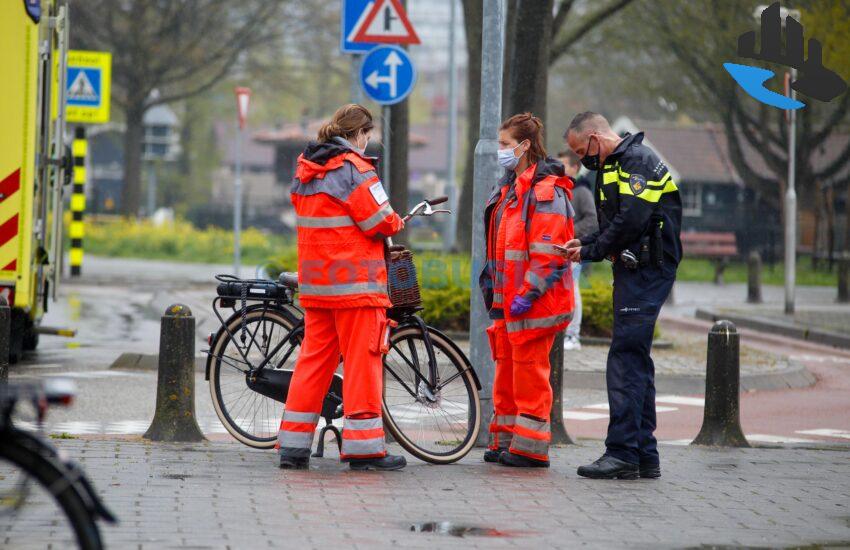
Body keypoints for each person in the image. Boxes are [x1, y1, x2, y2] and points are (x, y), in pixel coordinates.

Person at [277, 104, 407, 471]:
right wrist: (397, 221)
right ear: (360, 133)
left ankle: (293, 448)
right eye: (368, 135)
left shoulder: (306, 169)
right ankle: (365, 451)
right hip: (356, 288)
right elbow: (381, 222)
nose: (368, 142)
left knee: (312, 364)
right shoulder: (356, 169)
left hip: (318, 285)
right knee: (362, 365)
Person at [561, 112, 682, 480]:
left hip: (646, 269)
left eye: (581, 151)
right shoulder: (615, 164)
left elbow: (631, 220)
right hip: (636, 268)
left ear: (595, 138)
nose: (581, 160)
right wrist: (586, 243)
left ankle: (622, 452)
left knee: (625, 359)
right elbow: (614, 223)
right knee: (636, 359)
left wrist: (591, 250)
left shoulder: (637, 162)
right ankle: (644, 455)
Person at [479, 113, 575, 468]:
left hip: (532, 303)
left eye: (505, 144)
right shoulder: (509, 189)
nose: (500, 150)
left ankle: (531, 448)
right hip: (507, 302)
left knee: (530, 374)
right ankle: (505, 439)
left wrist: (529, 293)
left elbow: (550, 253)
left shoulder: (546, 192)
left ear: (524, 146)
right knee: (507, 373)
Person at [556, 149, 598, 351]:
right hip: (559, 249)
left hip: (572, 249)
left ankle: (573, 335)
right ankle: (564, 332)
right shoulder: (561, 188)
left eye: (563, 164)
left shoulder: (581, 191)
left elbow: (592, 219)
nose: (558, 168)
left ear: (574, 167)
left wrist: (569, 234)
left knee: (572, 290)